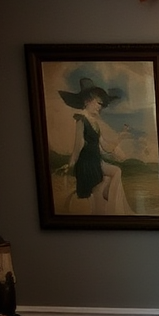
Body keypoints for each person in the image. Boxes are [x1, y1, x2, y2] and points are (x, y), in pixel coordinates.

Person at [58, 76, 132, 214]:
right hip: (87, 164)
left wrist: (120, 138)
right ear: (87, 101)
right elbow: (78, 146)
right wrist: (71, 164)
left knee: (115, 172)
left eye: (102, 105)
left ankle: (110, 208)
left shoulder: (95, 123)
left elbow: (105, 147)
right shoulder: (81, 120)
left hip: (96, 161)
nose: (100, 107)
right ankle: (109, 209)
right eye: (99, 103)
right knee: (101, 191)